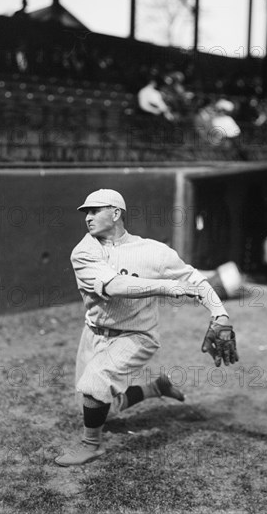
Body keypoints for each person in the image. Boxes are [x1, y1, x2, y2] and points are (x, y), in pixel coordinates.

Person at [54, 189, 239, 467]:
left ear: (116, 213)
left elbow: (196, 280)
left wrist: (220, 314)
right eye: (86, 213)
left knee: (94, 384)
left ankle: (90, 445)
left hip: (136, 335)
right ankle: (156, 388)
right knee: (105, 408)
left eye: (94, 211)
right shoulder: (84, 250)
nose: (88, 218)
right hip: (93, 334)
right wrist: (166, 286)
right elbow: (115, 286)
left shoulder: (154, 252)